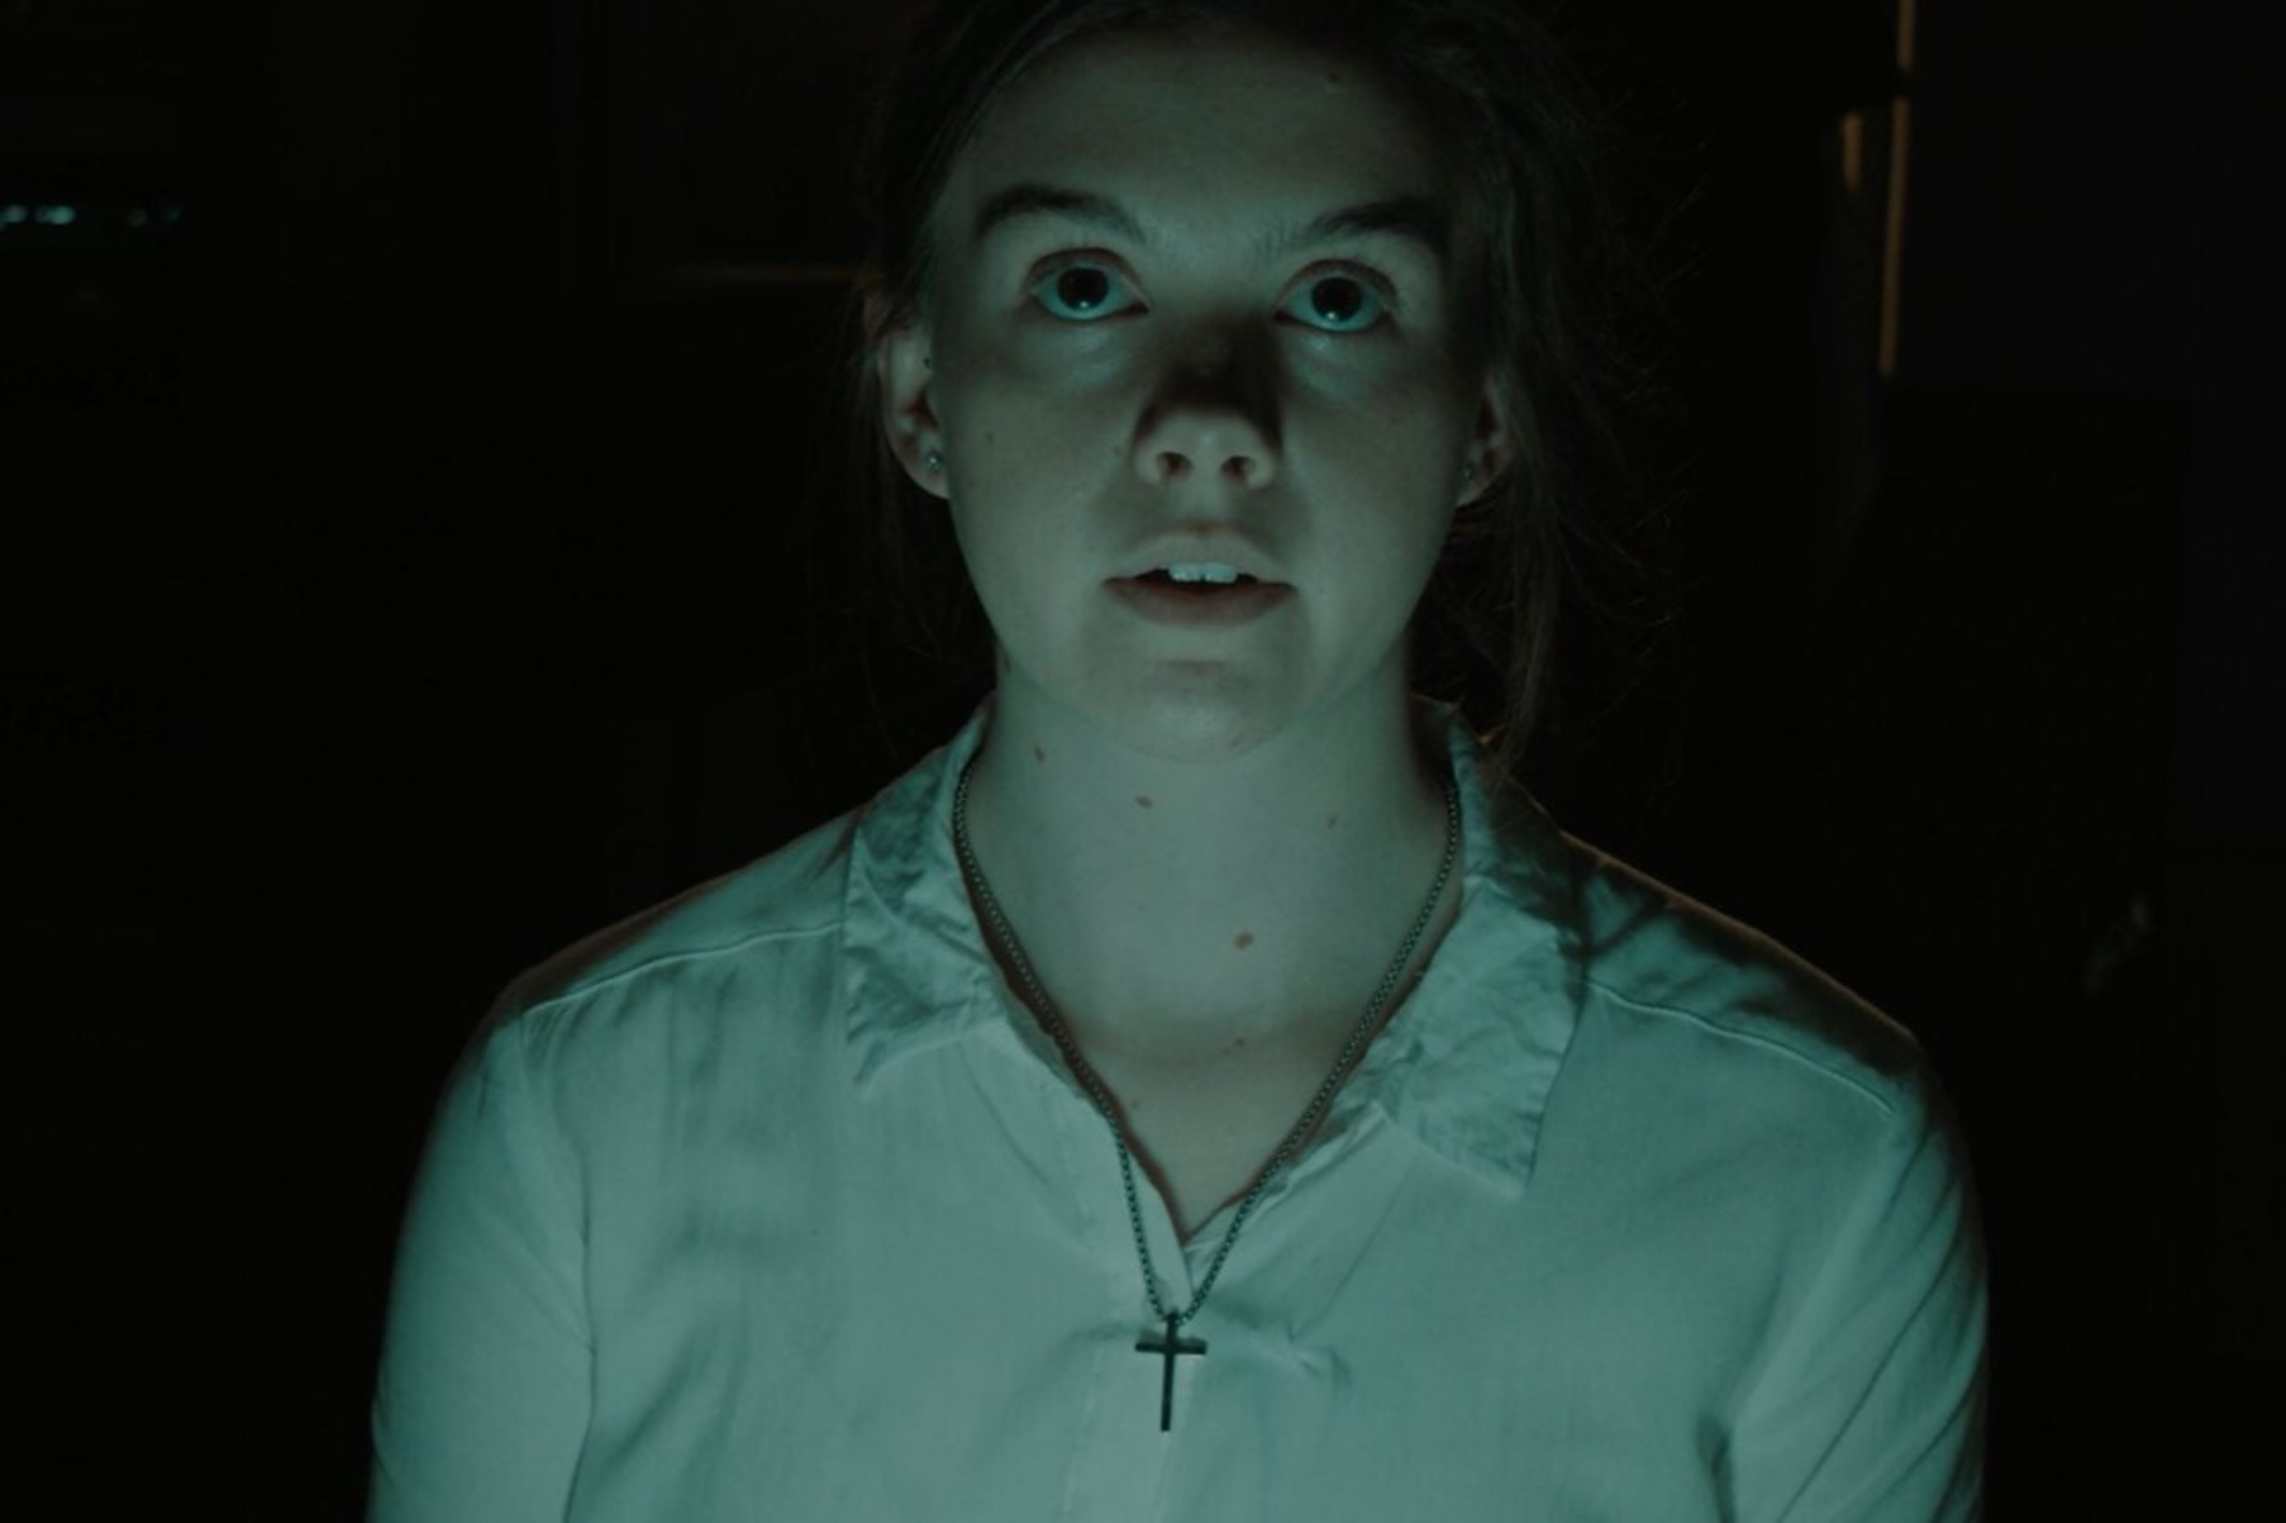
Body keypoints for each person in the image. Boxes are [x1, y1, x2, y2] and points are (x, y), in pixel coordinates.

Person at [366, 2, 1989, 1518]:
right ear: (918, 392)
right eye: (1083, 285)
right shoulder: (583, 1115)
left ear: (1482, 414)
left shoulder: (1815, 1163)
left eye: (1336, 298)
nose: (1209, 420)